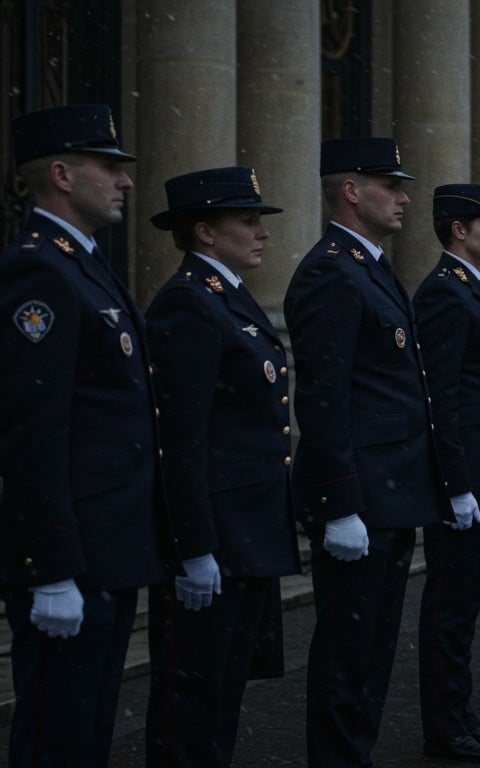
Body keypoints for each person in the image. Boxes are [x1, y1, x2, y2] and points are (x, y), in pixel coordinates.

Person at [0, 103, 171, 767]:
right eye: (111, 168)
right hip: (74, 553)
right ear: (63, 175)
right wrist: (51, 568)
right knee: (56, 738)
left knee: (88, 732)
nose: (127, 182)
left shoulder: (83, 263)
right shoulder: (38, 269)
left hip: (107, 547)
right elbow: (31, 429)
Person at [284, 137, 452, 766]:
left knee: (375, 647)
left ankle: (355, 753)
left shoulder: (370, 266)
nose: (406, 197)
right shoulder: (332, 269)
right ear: (352, 191)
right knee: (347, 653)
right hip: (364, 495)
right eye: (392, 185)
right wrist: (340, 502)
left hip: (392, 490)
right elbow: (324, 401)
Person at [142, 166, 301, 766]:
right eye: (248, 221)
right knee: (194, 694)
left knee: (223, 689)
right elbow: (181, 438)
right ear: (205, 232)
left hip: (247, 529)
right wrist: (194, 546)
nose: (261, 234)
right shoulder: (188, 304)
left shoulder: (225, 295)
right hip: (221, 532)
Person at [412, 183, 480, 762]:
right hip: (469, 480)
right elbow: (444, 399)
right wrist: (455, 486)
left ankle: (461, 714)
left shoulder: (473, 291)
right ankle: (444, 724)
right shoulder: (443, 295)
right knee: (451, 609)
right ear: (460, 230)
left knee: (465, 607)